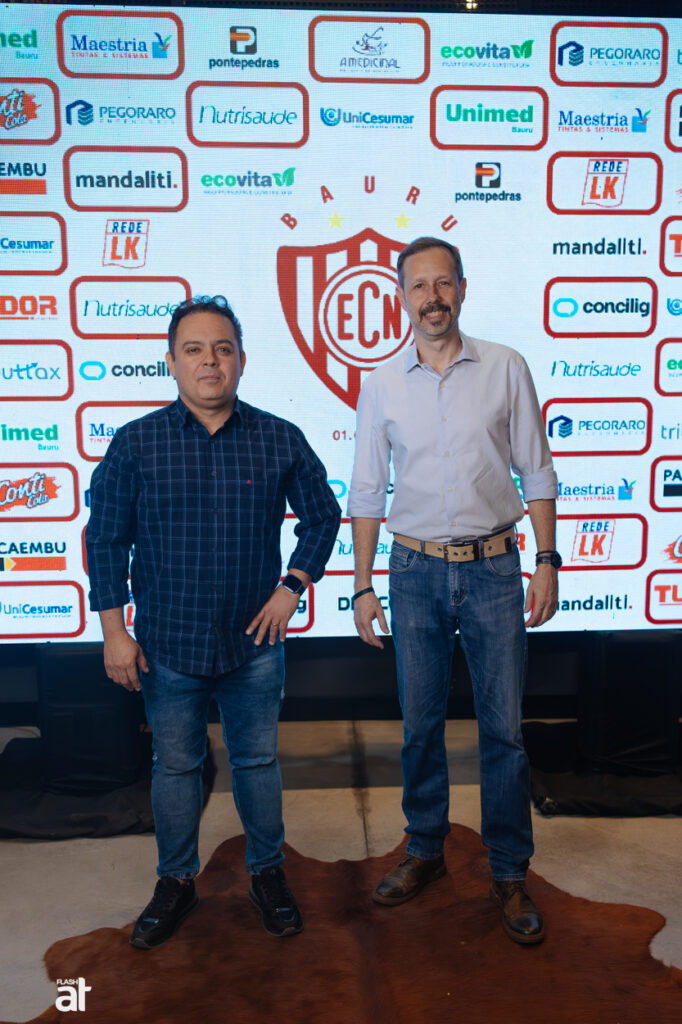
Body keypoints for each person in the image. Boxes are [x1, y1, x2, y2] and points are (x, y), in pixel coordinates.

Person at [86, 295, 340, 949]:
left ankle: (267, 874)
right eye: (194, 349)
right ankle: (175, 882)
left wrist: (292, 587)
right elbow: (106, 538)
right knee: (175, 768)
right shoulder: (135, 443)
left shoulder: (279, 437)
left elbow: (323, 516)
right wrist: (114, 630)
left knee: (257, 762)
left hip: (253, 645)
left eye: (223, 348)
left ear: (241, 361)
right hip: (167, 645)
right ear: (171, 362)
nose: (210, 361)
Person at [348, 238, 560, 945]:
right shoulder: (381, 383)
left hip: (495, 569)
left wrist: (547, 560)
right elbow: (367, 491)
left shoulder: (506, 367)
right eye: (419, 286)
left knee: (504, 732)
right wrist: (361, 585)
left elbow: (536, 469)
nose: (432, 297)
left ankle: (509, 871)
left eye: (443, 283)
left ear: (462, 289)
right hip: (412, 574)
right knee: (420, 726)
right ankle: (424, 850)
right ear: (402, 296)